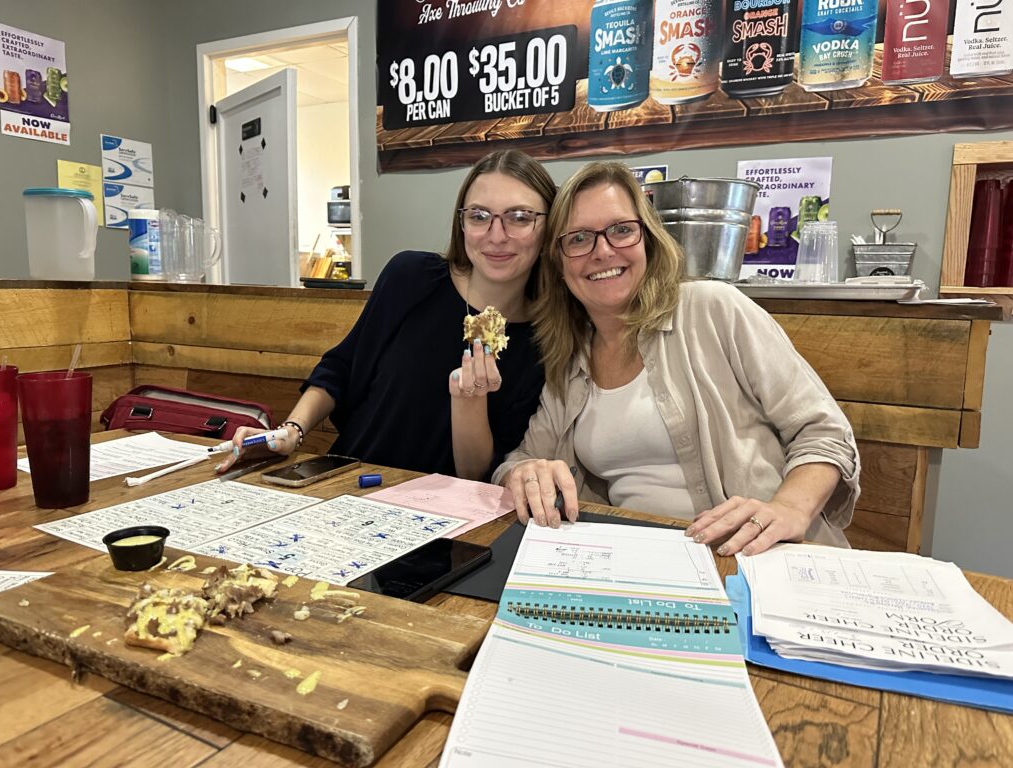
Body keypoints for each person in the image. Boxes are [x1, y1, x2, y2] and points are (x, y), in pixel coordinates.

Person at [495, 161, 860, 557]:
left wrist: (789, 508)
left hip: (756, 556)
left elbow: (824, 432)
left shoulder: (713, 308)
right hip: (637, 561)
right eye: (579, 238)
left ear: (649, 240)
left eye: (621, 230)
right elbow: (520, 461)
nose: (603, 251)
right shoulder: (570, 359)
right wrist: (523, 473)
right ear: (559, 264)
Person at [217, 150, 556, 481]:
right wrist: (291, 431)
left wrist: (471, 400)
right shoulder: (410, 277)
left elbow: (476, 474)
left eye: (520, 217)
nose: (496, 236)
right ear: (462, 223)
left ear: (548, 229)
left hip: (442, 510)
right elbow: (340, 368)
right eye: (479, 216)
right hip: (347, 480)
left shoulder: (546, 342)